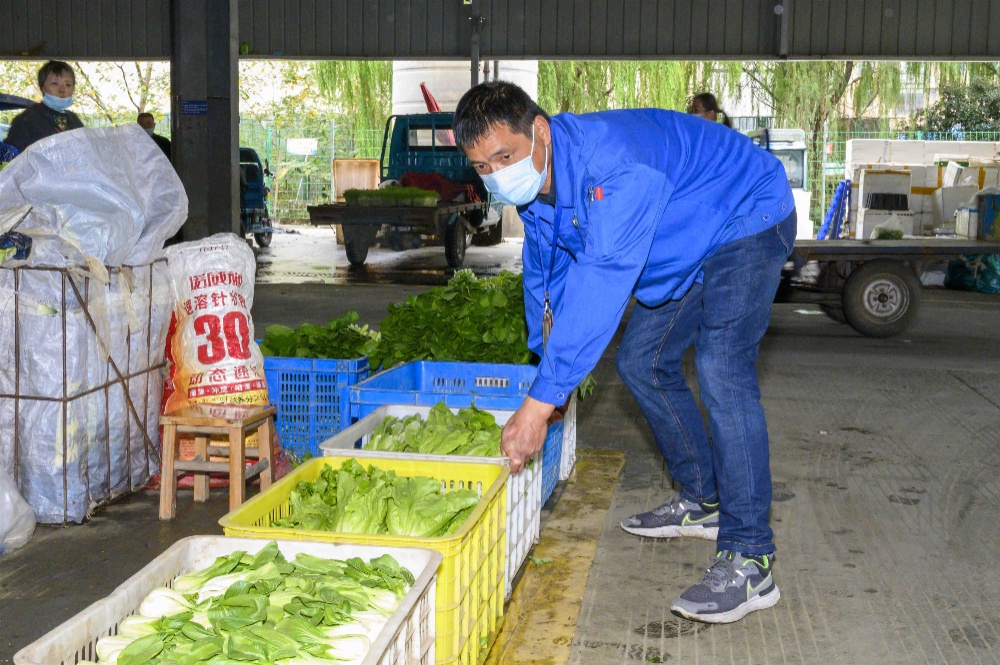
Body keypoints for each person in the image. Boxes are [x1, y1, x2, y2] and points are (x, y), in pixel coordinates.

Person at [454, 81, 795, 625]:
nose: (496, 174)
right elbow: (545, 277)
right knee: (641, 363)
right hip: (686, 234)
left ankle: (751, 558)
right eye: (482, 166)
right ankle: (702, 500)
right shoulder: (539, 186)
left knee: (721, 369)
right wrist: (549, 369)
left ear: (539, 131)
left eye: (504, 156)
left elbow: (603, 279)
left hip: (744, 214)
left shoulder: (615, 170)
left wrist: (541, 402)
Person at [4, 61, 84, 153]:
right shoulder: (27, 120)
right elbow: (12, 156)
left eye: (68, 85)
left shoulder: (74, 120)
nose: (62, 89)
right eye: (55, 83)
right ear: (42, 88)